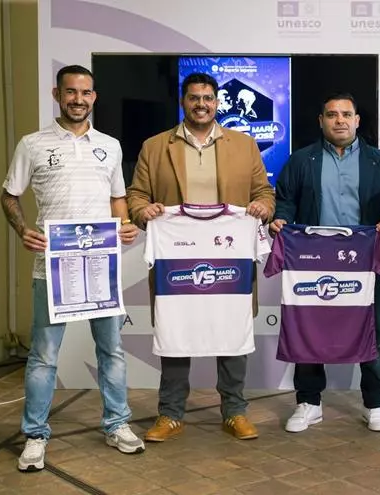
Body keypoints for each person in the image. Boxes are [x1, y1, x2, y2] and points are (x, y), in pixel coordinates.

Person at [1, 65, 145, 472]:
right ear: (57, 94)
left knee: (111, 350)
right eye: (70, 92)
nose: (78, 99)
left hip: (100, 264)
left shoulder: (110, 146)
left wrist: (124, 224)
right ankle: (35, 435)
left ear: (93, 97)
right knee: (44, 356)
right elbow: (9, 195)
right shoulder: (32, 144)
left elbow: (118, 198)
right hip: (52, 268)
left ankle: (117, 424)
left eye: (85, 93)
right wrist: (23, 230)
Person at [126, 72, 275, 442]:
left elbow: (264, 193)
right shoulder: (155, 147)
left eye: (208, 98)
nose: (201, 105)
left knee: (232, 330)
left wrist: (262, 206)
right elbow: (136, 195)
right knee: (176, 330)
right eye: (194, 98)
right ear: (183, 101)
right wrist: (143, 211)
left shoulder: (244, 145)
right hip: (177, 259)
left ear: (217, 102)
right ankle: (170, 414)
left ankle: (235, 412)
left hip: (229, 257)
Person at [270, 92, 380, 433]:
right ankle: (309, 403)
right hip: (312, 261)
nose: (339, 120)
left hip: (363, 261)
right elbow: (285, 201)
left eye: (346, 114)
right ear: (321, 121)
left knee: (373, 333)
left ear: (357, 120)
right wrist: (281, 220)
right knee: (308, 330)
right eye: (331, 114)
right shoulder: (301, 160)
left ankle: (375, 404)